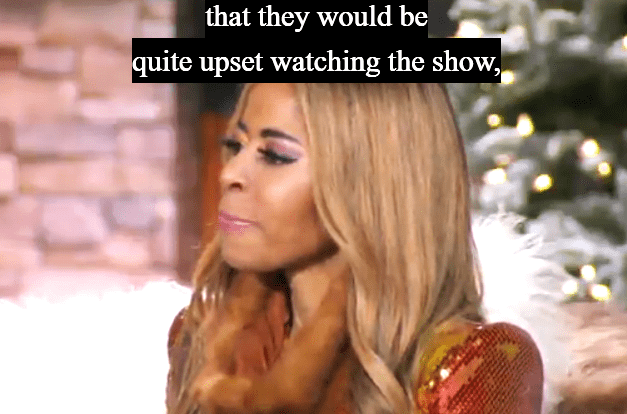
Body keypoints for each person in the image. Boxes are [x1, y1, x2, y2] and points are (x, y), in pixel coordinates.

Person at [166, 83, 544, 414]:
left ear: (373, 182)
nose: (229, 172)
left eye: (275, 155)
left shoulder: (475, 364)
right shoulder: (202, 341)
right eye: (235, 145)